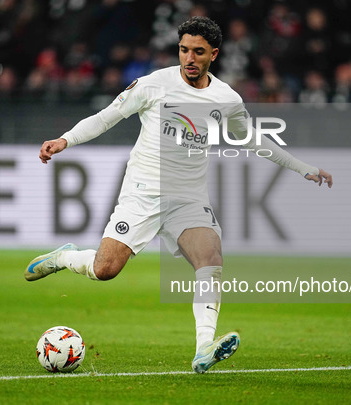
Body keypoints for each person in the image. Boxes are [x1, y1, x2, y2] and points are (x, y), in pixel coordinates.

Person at [25, 16, 333, 374]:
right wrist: (65, 140)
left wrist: (301, 167)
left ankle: (204, 347)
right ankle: (65, 258)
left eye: (198, 52)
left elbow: (254, 140)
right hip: (143, 194)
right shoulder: (156, 84)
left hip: (188, 198)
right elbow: (106, 116)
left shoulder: (225, 98)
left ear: (213, 55)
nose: (189, 57)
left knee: (211, 259)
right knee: (105, 269)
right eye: (184, 49)